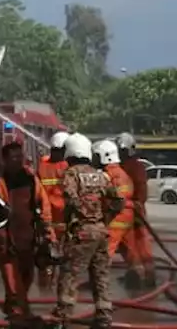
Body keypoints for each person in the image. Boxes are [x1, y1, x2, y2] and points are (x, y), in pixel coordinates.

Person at [0, 141, 55, 325]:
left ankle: (13, 307)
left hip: (28, 236)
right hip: (5, 239)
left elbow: (43, 203)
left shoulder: (30, 178)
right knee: (12, 280)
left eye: (20, 157)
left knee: (26, 276)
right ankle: (19, 314)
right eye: (14, 157)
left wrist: (47, 232)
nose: (18, 161)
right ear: (5, 160)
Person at [50, 133, 122, 329]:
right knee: (100, 276)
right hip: (100, 232)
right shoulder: (101, 175)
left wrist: (81, 216)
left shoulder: (71, 174)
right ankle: (104, 317)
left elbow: (70, 198)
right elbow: (118, 200)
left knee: (69, 275)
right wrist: (103, 219)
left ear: (70, 153)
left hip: (81, 233)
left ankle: (62, 319)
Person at [116, 132, 156, 287]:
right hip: (137, 211)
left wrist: (135, 204)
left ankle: (137, 277)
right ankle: (148, 275)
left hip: (130, 212)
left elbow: (140, 189)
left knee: (130, 245)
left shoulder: (128, 167)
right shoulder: (136, 165)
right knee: (141, 243)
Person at [36, 131, 71, 288]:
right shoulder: (68, 166)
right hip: (63, 219)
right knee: (66, 259)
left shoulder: (42, 164)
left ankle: (44, 289)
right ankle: (62, 290)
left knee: (46, 257)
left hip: (46, 218)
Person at [94, 141, 135, 270]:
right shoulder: (120, 172)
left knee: (106, 250)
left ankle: (99, 281)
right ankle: (141, 275)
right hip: (127, 215)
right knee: (128, 249)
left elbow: (115, 200)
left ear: (104, 156)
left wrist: (106, 216)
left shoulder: (109, 174)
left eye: (96, 156)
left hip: (117, 216)